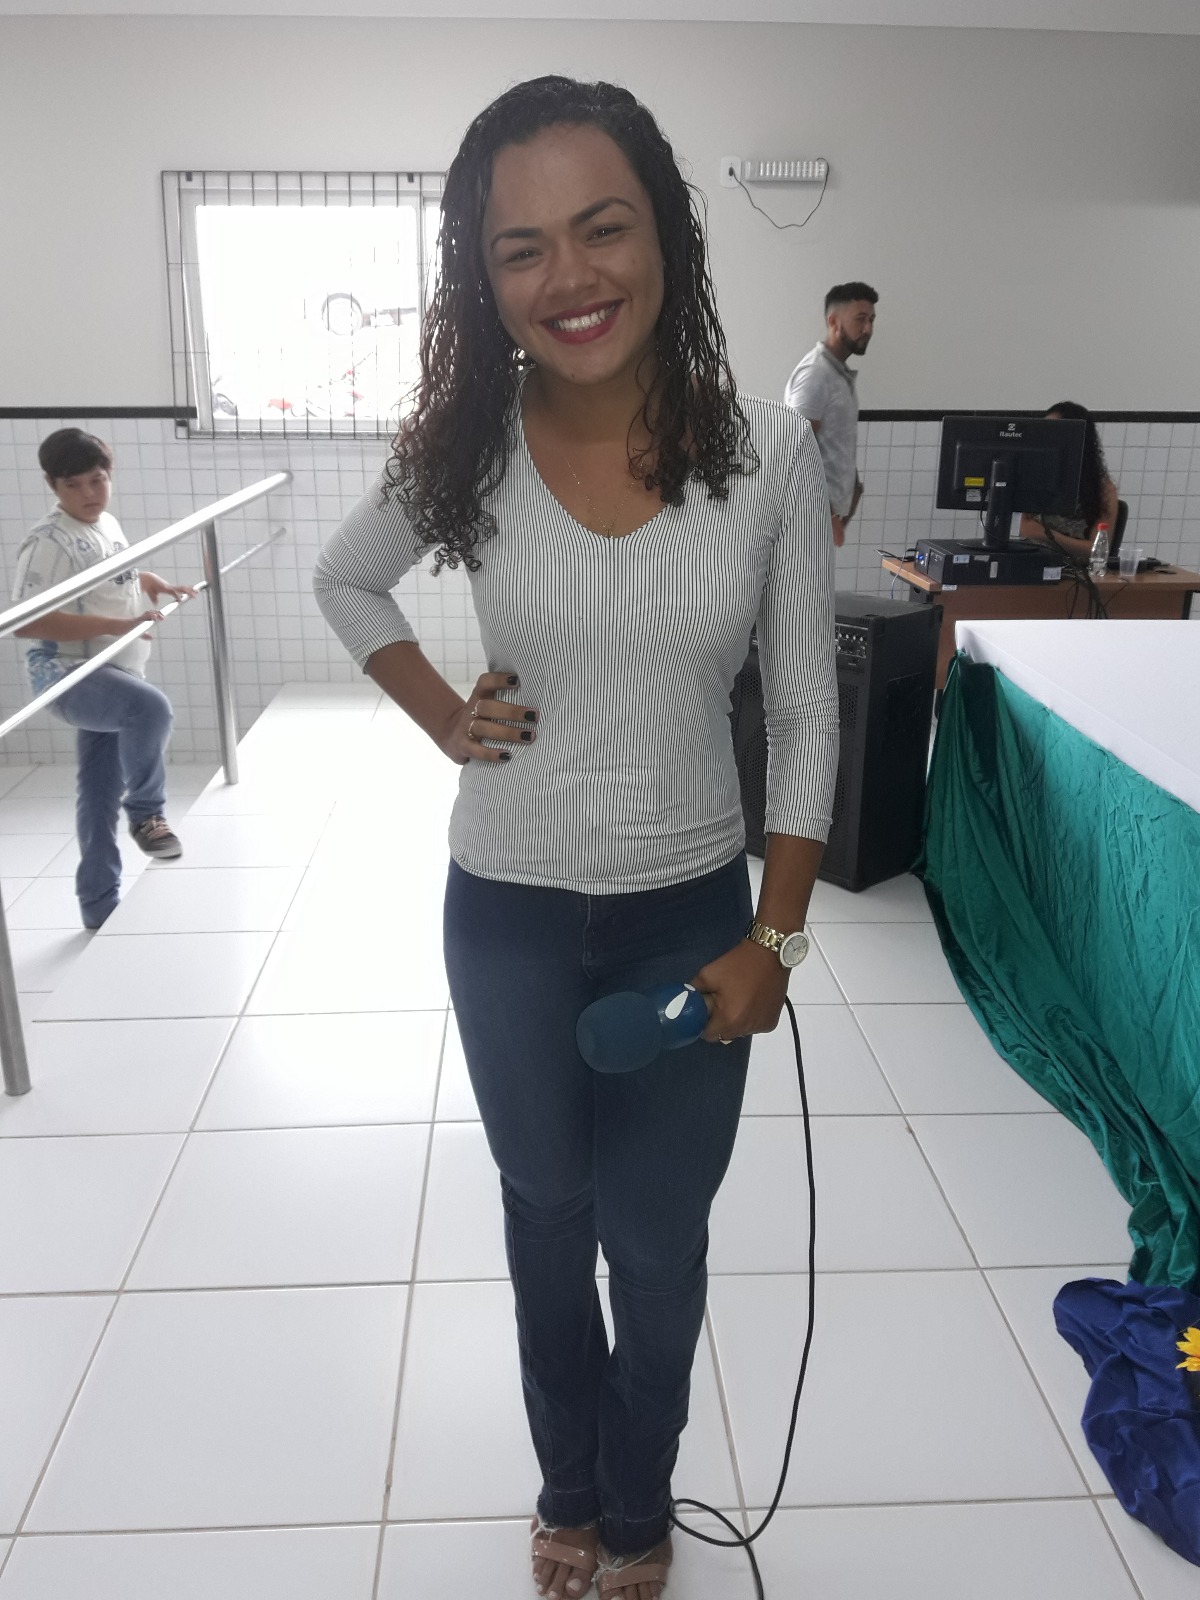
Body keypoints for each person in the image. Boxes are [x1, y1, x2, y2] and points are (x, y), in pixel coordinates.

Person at [314, 76, 837, 1600]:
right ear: (484, 279)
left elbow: (809, 715)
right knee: (545, 1213)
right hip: (510, 916)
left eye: (602, 228)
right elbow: (347, 579)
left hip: (691, 914)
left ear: (665, 232)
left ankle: (639, 1503)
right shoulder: (466, 447)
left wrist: (775, 936)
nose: (569, 277)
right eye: (521, 247)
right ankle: (567, 1486)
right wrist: (440, 713)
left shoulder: (769, 456)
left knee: (658, 1248)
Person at [12, 429, 193, 928]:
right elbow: (27, 622)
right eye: (73, 485)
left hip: (111, 669)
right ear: (52, 485)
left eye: (97, 480)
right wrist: (117, 625)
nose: (89, 494)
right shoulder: (47, 543)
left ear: (109, 475)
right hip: (67, 673)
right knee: (150, 709)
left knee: (97, 792)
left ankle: (97, 903)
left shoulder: (106, 523)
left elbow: (114, 579)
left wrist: (153, 583)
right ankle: (147, 814)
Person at [783, 281, 877, 546]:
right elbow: (795, 450)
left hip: (825, 520)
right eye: (860, 319)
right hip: (809, 520)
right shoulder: (815, 374)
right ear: (833, 321)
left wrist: (854, 489)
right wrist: (828, 512)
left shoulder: (837, 375)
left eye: (871, 320)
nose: (868, 329)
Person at [1020, 400, 1120, 562]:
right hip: (1031, 564)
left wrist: (1048, 535)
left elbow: (1097, 551)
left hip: (1076, 570)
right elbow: (1026, 531)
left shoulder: (1103, 488)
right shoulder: (1036, 477)